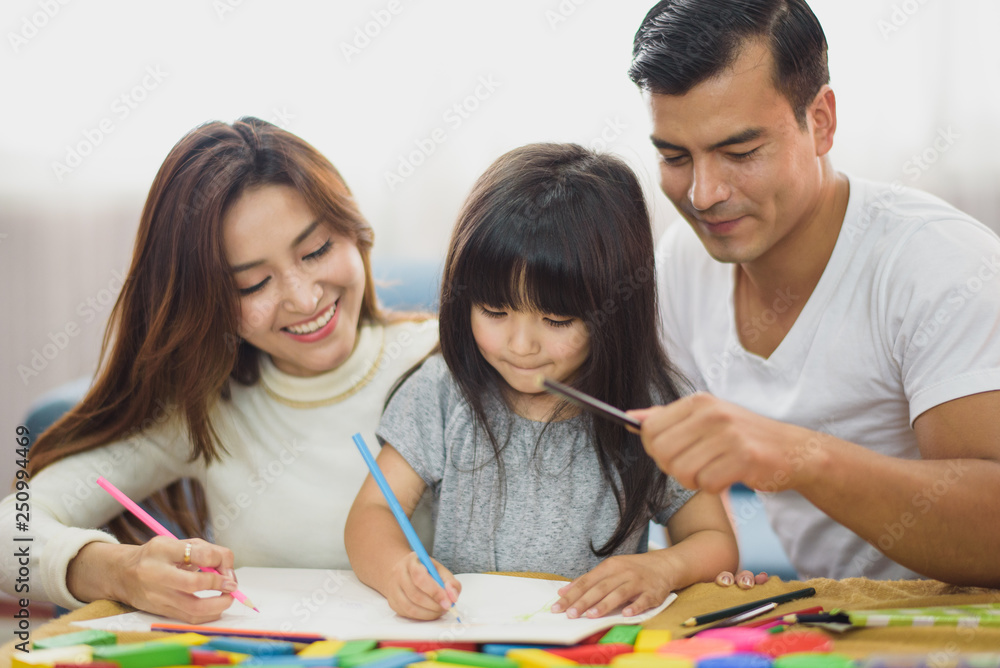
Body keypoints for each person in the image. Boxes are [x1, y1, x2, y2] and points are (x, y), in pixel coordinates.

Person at [0, 117, 438, 622]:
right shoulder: (206, 410)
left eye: (316, 251)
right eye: (253, 285)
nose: (303, 297)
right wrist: (123, 571)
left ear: (357, 231)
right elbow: (13, 528)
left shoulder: (452, 363)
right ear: (207, 305)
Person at [625, 0, 1000, 586]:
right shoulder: (682, 263)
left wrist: (797, 456)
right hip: (821, 618)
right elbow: (684, 485)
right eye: (674, 156)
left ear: (821, 121)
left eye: (741, 152)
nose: (702, 194)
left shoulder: (937, 265)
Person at [344, 143, 738, 621]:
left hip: (592, 647)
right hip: (467, 642)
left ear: (613, 314)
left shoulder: (651, 408)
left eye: (555, 319)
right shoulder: (443, 391)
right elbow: (371, 513)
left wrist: (663, 568)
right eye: (494, 311)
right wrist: (396, 570)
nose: (521, 345)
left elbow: (714, 541)